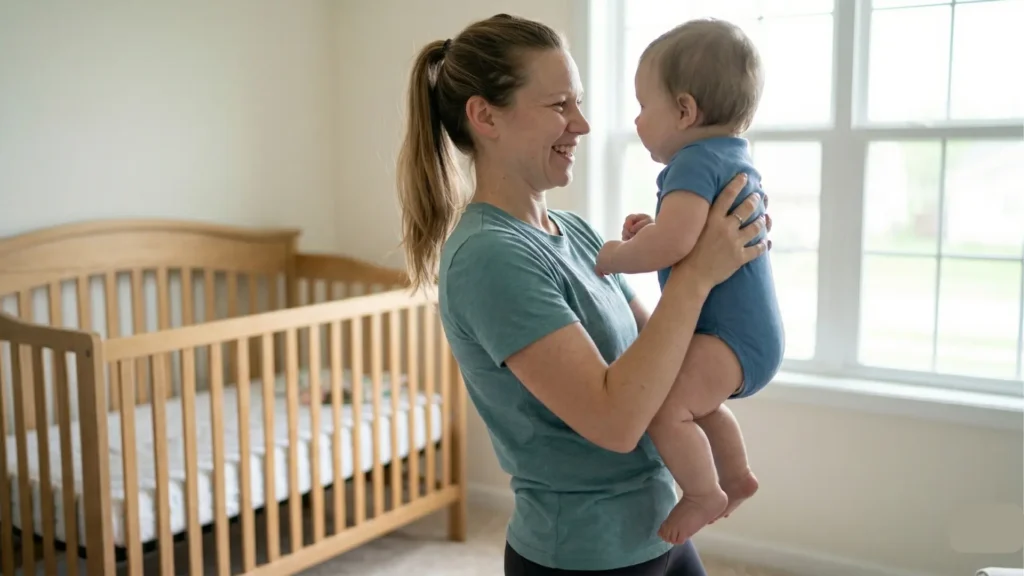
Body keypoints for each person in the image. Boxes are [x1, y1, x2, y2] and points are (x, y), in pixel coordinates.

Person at [395, 14, 773, 576]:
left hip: (657, 527)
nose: (583, 124)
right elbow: (616, 423)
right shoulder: (488, 256)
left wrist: (726, 267)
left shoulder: (578, 233)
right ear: (485, 116)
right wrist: (696, 275)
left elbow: (661, 358)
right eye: (559, 106)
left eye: (578, 103)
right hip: (585, 553)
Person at [593, 18, 785, 545]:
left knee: (661, 407)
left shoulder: (692, 162)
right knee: (696, 405)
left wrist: (618, 254)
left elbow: (678, 248)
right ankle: (736, 475)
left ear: (684, 110)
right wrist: (655, 229)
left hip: (728, 338)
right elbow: (692, 236)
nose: (636, 121)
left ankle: (703, 492)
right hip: (750, 336)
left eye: (642, 107)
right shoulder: (730, 156)